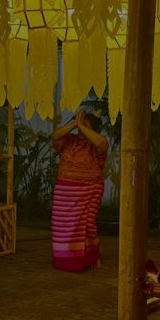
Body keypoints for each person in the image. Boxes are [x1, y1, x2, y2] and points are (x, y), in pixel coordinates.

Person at [51, 109, 108, 271]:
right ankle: (65, 260)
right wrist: (75, 124)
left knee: (88, 224)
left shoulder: (97, 143)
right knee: (63, 228)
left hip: (90, 189)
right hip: (65, 191)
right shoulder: (69, 140)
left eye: (85, 128)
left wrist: (81, 126)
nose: (80, 131)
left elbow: (102, 144)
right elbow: (55, 136)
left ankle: (92, 257)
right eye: (80, 128)